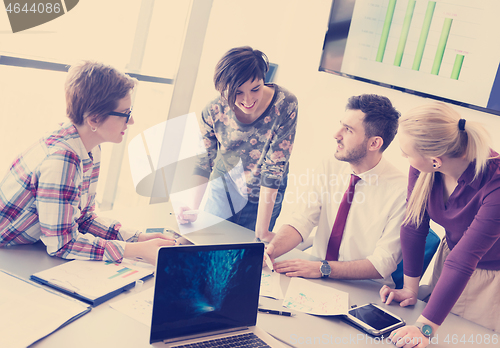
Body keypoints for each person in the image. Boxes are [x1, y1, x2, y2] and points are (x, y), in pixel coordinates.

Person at [0, 61, 175, 265]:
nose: (132, 121)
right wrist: (134, 250)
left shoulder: (88, 146)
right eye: (125, 114)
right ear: (94, 120)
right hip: (8, 257)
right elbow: (62, 244)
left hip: (24, 252)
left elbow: (82, 218)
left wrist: (136, 238)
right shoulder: (63, 159)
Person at [380, 102, 500, 346]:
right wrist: (410, 288)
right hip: (451, 265)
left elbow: (465, 258)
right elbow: (414, 225)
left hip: (492, 279)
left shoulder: (495, 184)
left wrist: (424, 328)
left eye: (405, 152)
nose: (403, 157)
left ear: (436, 160)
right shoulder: (425, 168)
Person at [266, 94, 406, 286]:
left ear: (374, 143)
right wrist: (270, 250)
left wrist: (323, 269)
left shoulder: (401, 192)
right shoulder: (330, 165)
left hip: (365, 287)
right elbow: (302, 218)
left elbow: (383, 262)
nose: (336, 134)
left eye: (348, 130)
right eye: (341, 125)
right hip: (314, 278)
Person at [176, 46, 298, 241]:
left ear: (263, 79)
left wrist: (262, 231)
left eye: (255, 89)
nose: (248, 99)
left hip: (263, 196)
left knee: (244, 257)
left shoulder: (285, 104)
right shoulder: (214, 110)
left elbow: (274, 168)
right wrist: (193, 209)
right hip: (223, 189)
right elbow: (204, 162)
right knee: (208, 247)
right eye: (238, 92)